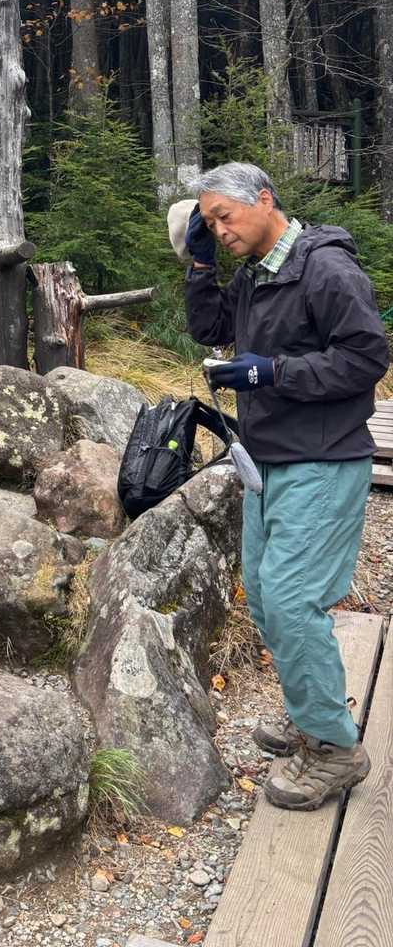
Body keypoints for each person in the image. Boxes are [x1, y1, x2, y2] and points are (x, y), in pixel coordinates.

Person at [172, 162, 389, 811]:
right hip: (268, 460)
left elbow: (367, 358)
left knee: (293, 602)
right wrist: (200, 264)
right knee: (268, 600)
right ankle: (311, 710)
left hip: (322, 459)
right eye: (209, 222)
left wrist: (270, 374)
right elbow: (210, 328)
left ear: (264, 200)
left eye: (225, 217)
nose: (220, 229)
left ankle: (335, 749)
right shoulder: (255, 274)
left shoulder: (325, 269)